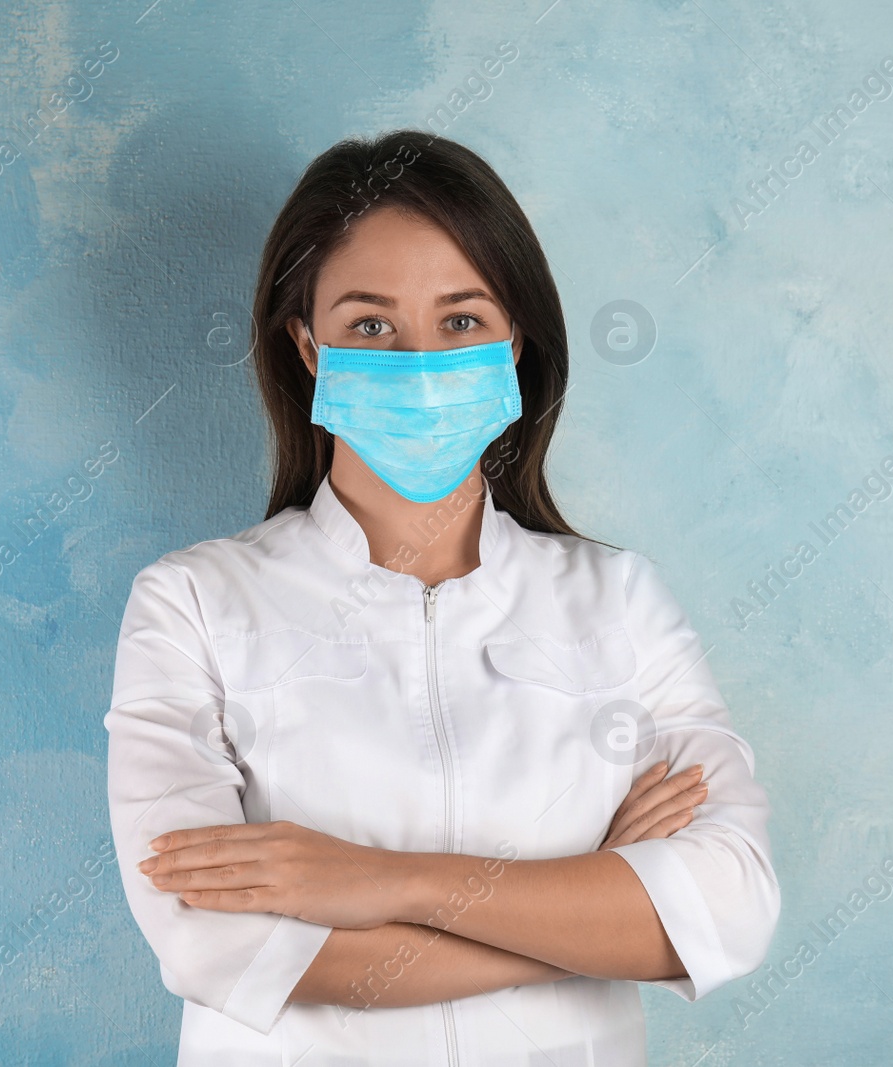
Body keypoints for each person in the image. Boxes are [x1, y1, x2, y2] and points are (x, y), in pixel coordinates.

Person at [104, 130, 780, 1065]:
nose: (418, 362)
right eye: (370, 325)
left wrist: (377, 882)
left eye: (460, 320)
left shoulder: (618, 599)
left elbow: (728, 907)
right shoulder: (191, 604)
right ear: (307, 345)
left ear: (514, 341)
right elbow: (218, 941)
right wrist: (585, 914)